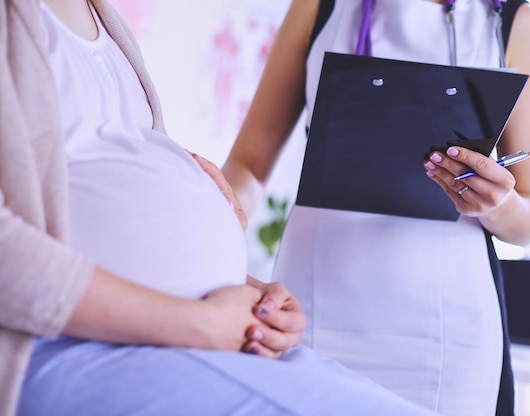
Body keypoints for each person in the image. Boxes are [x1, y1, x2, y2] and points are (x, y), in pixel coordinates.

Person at [0, 1, 437, 415]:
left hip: (193, 335)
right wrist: (198, 322)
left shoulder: (104, 23)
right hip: (71, 343)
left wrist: (253, 298)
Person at [222, 0, 530, 415]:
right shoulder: (320, 7)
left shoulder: (510, 23)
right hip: (313, 305)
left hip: (448, 328)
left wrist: (498, 204)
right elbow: (248, 166)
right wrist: (216, 209)